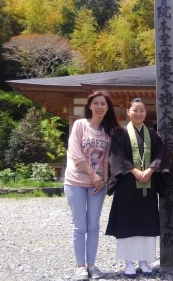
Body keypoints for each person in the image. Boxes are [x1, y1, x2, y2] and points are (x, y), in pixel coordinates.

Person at [105, 98, 170, 278]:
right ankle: (128, 262)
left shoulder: (153, 134)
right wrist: (134, 171)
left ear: (146, 112)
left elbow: (161, 155)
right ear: (128, 112)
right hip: (127, 186)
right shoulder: (120, 134)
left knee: (147, 223)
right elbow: (116, 157)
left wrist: (150, 170)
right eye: (135, 110)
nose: (138, 113)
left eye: (142, 110)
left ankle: (144, 260)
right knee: (128, 223)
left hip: (147, 187)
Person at [63, 90, 120, 280]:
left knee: (94, 225)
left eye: (103, 104)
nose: (100, 107)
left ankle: (92, 265)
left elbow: (105, 158)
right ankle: (80, 267)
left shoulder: (108, 132)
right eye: (96, 103)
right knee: (80, 226)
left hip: (97, 184)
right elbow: (75, 153)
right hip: (75, 182)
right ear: (89, 106)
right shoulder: (80, 125)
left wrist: (103, 179)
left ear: (107, 107)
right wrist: (92, 174)